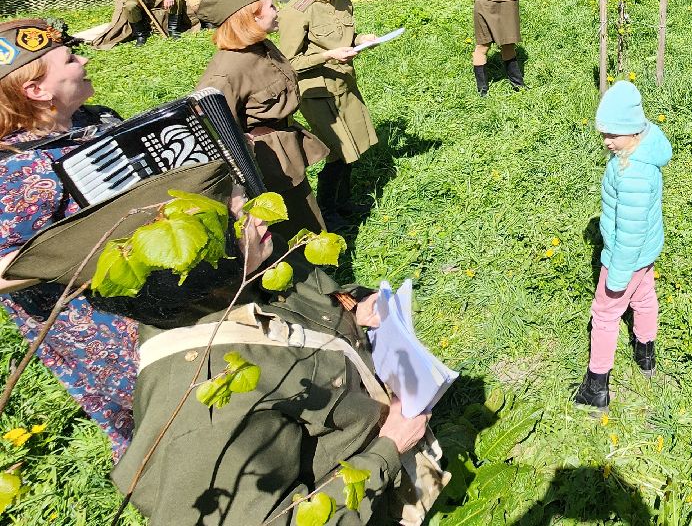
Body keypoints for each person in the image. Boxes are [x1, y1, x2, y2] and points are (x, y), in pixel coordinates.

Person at [6, 166, 440, 525]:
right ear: (186, 266)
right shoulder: (203, 407)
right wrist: (388, 449)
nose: (262, 218)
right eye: (238, 220)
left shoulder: (236, 286)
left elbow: (292, 319)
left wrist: (349, 309)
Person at [0, 19, 134, 456]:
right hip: (104, 326)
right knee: (166, 412)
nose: (85, 59)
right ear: (37, 91)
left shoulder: (95, 120)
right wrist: (89, 244)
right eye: (72, 59)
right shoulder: (16, 170)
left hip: (158, 292)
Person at [195, 0, 329, 236]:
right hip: (265, 165)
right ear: (250, 17)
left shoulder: (263, 46)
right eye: (270, 6)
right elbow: (213, 132)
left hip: (283, 151)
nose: (277, 10)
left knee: (306, 217)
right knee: (294, 230)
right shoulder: (226, 72)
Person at [574, 81, 672, 408]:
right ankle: (646, 356)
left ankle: (596, 386)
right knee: (644, 299)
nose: (606, 142)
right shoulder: (645, 150)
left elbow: (629, 231)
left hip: (625, 258)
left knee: (605, 313)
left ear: (632, 132)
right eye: (603, 134)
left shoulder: (632, 174)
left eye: (613, 135)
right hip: (644, 256)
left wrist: (616, 274)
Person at [278, 0, 380, 224]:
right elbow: (288, 63)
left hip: (345, 84)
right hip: (318, 92)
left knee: (354, 148)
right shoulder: (297, 11)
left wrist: (361, 41)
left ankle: (343, 203)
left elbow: (345, 37)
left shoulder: (341, 1)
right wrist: (326, 55)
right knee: (337, 150)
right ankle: (327, 211)